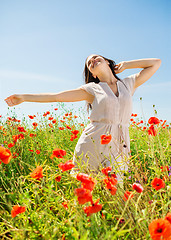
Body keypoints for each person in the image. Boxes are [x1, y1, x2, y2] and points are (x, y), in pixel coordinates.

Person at [4, 54, 161, 186]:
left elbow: (155, 63)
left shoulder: (128, 84)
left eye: (95, 57)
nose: (92, 61)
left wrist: (126, 65)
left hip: (119, 144)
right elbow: (57, 96)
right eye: (89, 64)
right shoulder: (93, 89)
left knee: (116, 189)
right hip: (92, 143)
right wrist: (24, 97)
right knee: (88, 189)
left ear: (107, 61)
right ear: (93, 75)